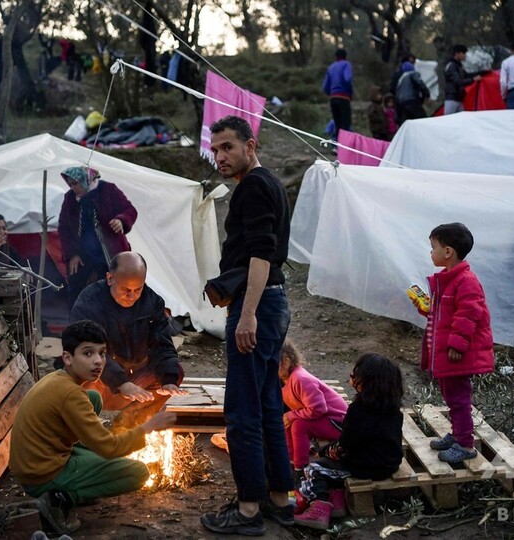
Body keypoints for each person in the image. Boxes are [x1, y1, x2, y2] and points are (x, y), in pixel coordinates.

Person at [200, 115, 293, 536]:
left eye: (227, 147)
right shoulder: (267, 183)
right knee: (269, 404)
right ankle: (279, 499)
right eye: (215, 149)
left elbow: (261, 253)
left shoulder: (253, 187)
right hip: (275, 302)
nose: (218, 156)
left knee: (242, 410)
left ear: (250, 146)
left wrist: (248, 313)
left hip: (259, 305)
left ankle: (249, 509)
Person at [9, 320, 177, 535]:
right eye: (88, 354)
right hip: (41, 476)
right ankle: (58, 500)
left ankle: (82, 478)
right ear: (67, 358)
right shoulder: (70, 395)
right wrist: (147, 427)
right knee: (137, 472)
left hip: (38, 460)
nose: (98, 361)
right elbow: (109, 448)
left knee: (94, 397)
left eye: (102, 353)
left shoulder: (58, 379)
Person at [70, 251, 187, 430]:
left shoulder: (152, 302)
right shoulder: (89, 302)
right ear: (110, 278)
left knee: (173, 371)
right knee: (84, 368)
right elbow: (88, 350)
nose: (132, 296)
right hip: (101, 381)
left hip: (135, 380)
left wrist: (168, 379)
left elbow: (162, 344)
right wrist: (121, 382)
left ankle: (124, 428)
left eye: (137, 289)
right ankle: (85, 430)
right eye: (125, 290)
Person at [411, 222, 494, 463]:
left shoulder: (466, 281)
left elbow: (469, 314)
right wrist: (427, 308)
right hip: (447, 355)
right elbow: (445, 316)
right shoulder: (448, 280)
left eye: (433, 247)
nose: (431, 252)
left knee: (459, 400)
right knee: (452, 398)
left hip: (457, 354)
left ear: (448, 252)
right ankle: (458, 435)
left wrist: (457, 345)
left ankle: (466, 445)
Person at [294, 353, 404, 530]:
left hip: (365, 466)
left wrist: (324, 452)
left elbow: (345, 445)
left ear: (366, 382)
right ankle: (337, 503)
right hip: (391, 463)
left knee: (314, 468)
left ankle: (319, 507)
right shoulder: (394, 409)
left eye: (355, 374)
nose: (351, 378)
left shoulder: (357, 410)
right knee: (332, 464)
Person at [57, 166, 137, 307]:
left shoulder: (108, 190)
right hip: (82, 253)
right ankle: (77, 324)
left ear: (86, 180)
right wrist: (72, 254)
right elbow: (64, 228)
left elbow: (129, 210)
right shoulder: (70, 198)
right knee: (76, 289)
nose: (72, 188)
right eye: (70, 184)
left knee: (113, 288)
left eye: (75, 183)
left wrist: (120, 220)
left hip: (109, 251)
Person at [279, 339, 347, 483]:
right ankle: (291, 460)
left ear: (285, 361)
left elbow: (318, 408)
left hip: (339, 422)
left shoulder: (300, 379)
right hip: (324, 418)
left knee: (299, 425)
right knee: (287, 422)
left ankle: (300, 469)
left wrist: (292, 415)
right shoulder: (285, 380)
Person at [322, 49, 353, 140]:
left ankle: (335, 145)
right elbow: (347, 79)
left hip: (333, 98)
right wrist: (350, 93)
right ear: (345, 56)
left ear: (336, 57)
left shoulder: (331, 67)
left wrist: (331, 93)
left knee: (337, 122)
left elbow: (325, 87)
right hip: (343, 97)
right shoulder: (346, 64)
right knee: (345, 123)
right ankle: (344, 146)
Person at [444, 44, 483, 114]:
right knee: (449, 121)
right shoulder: (452, 66)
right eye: (463, 53)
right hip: (452, 99)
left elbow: (466, 75)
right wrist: (473, 79)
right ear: (457, 54)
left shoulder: (458, 66)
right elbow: (458, 81)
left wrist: (482, 73)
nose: (465, 55)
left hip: (458, 98)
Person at [395, 61, 431, 126]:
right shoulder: (413, 74)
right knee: (423, 120)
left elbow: (397, 94)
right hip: (412, 101)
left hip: (402, 104)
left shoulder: (400, 79)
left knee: (408, 123)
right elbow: (420, 83)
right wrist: (426, 95)